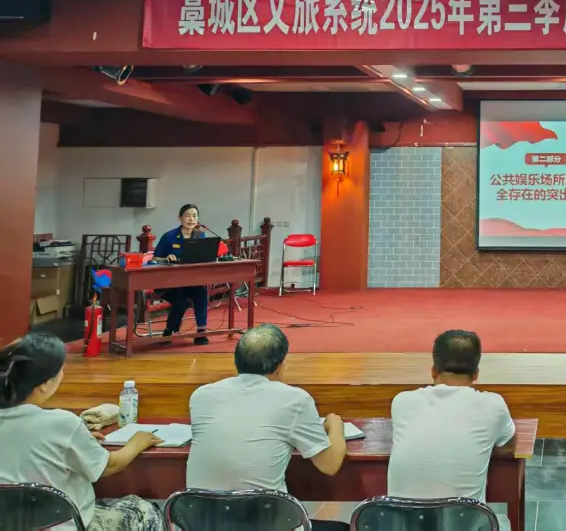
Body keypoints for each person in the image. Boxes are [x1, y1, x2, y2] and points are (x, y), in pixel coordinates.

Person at [186, 324, 348, 531]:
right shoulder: (294, 399)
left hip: (204, 524)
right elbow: (330, 465)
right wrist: (335, 426)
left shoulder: (201, 395)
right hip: (265, 523)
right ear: (280, 366)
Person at [0, 333, 163, 530]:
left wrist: (77, 440)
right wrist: (137, 443)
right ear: (44, 384)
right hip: (63, 526)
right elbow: (110, 465)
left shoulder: (61, 428)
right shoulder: (62, 424)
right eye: (61, 370)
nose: (62, 374)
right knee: (143, 509)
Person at [388, 330, 516, 530]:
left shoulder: (402, 402)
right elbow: (509, 445)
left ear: (433, 370)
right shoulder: (493, 405)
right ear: (476, 374)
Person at [153, 203, 210, 345]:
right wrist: (166, 258)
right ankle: (169, 331)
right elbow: (154, 258)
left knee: (201, 295)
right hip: (169, 282)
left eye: (194, 216)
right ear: (180, 218)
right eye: (187, 216)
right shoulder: (169, 236)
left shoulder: (200, 236)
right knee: (181, 300)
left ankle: (201, 332)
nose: (191, 219)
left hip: (191, 280)